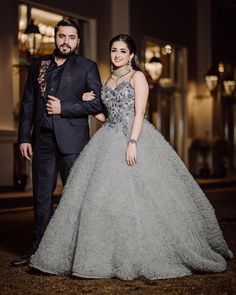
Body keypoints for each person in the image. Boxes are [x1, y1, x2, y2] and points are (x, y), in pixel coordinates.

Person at [29, 34, 233, 280]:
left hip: (134, 137)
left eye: (122, 51)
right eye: (114, 50)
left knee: (143, 197)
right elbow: (106, 116)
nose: (117, 55)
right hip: (108, 138)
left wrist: (133, 142)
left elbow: (140, 112)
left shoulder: (138, 77)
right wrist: (90, 104)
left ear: (132, 55)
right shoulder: (108, 80)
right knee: (104, 198)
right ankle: (107, 252)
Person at [11, 19, 103, 267]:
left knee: (75, 199)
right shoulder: (39, 65)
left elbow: (97, 105)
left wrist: (65, 108)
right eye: (62, 36)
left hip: (73, 143)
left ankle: (77, 256)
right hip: (41, 141)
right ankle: (39, 254)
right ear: (55, 38)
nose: (66, 41)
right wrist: (24, 137)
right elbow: (29, 102)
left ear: (78, 41)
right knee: (41, 199)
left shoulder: (87, 67)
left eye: (72, 37)